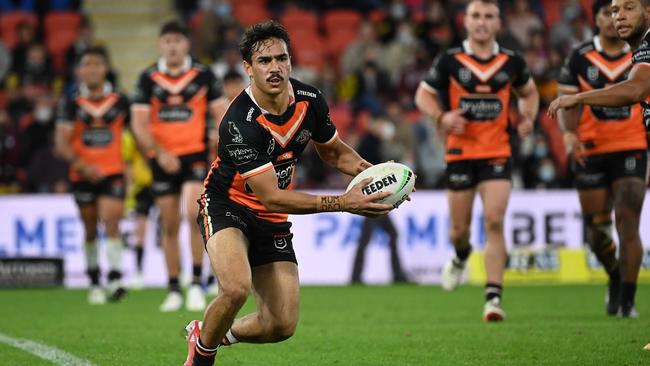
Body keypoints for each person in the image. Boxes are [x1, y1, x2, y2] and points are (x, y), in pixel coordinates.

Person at [183, 21, 395, 366]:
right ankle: (202, 357)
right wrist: (344, 202)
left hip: (270, 218)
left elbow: (335, 152)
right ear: (248, 69)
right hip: (228, 205)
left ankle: (213, 330)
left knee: (281, 324)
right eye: (264, 61)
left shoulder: (310, 101)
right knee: (236, 288)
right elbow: (273, 197)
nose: (275, 67)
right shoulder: (239, 122)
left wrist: (374, 175)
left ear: (291, 61)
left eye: (281, 58)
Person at [414, 0, 539, 321]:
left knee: (495, 221)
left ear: (499, 24)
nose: (482, 22)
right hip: (460, 154)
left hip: (497, 152)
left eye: (488, 16)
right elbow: (423, 95)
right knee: (459, 230)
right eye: (476, 16)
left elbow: (529, 93)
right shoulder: (451, 61)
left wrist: (527, 117)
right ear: (466, 22)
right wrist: (441, 117)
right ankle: (460, 255)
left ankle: (493, 299)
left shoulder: (512, 62)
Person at [548, 0, 650, 318]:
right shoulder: (582, 56)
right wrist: (570, 134)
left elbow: (635, 89)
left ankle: (628, 301)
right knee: (597, 230)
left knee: (628, 224)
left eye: (627, 9)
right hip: (591, 150)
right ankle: (616, 275)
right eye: (612, 11)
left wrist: (579, 97)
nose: (617, 17)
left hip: (631, 148)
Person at [131, 21, 222, 312]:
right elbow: (139, 124)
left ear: (187, 44)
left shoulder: (204, 75)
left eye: (178, 40)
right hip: (162, 159)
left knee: (193, 213)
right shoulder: (148, 78)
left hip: (194, 154)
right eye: (167, 40)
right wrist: (157, 153)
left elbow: (222, 112)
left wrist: (217, 137)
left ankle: (196, 283)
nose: (172, 46)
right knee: (169, 224)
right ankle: (173, 287)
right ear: (161, 44)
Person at [54, 47, 129, 304]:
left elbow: (137, 132)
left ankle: (116, 278)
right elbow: (61, 143)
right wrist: (84, 166)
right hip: (82, 174)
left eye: (97, 64)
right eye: (87, 64)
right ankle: (95, 281)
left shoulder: (121, 101)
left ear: (105, 68)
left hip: (113, 173)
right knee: (88, 228)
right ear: (79, 71)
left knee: (111, 222)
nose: (92, 69)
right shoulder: (70, 102)